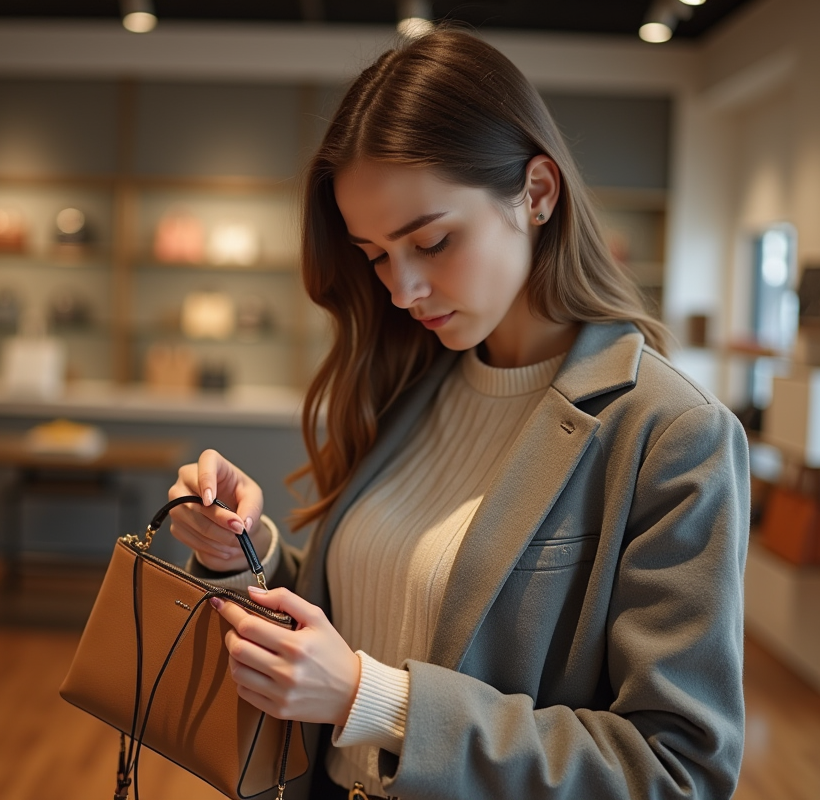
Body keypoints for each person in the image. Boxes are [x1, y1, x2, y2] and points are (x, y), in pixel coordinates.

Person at [166, 27, 749, 800]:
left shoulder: (671, 433)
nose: (402, 290)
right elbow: (375, 613)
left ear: (537, 194)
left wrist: (374, 701)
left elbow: (679, 770)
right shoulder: (412, 385)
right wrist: (239, 549)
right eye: (375, 255)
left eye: (433, 241)